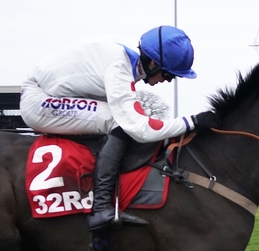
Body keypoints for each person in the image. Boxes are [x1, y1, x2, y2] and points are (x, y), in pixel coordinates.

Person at [20, 25, 220, 232]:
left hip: (56, 92)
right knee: (121, 123)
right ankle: (101, 207)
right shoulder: (120, 67)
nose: (165, 81)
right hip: (40, 101)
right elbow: (141, 129)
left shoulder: (131, 55)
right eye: (168, 75)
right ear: (152, 63)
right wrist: (192, 122)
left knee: (128, 115)